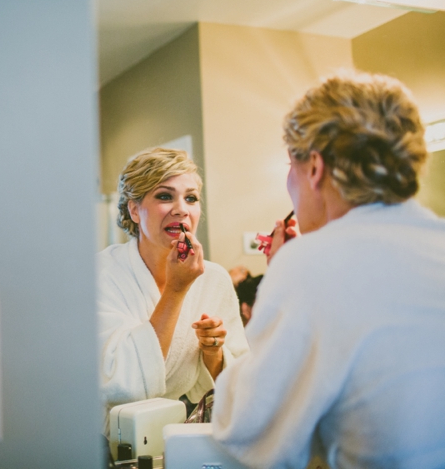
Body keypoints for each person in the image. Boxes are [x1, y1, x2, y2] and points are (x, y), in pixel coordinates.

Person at [211, 72, 445, 468]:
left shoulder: (307, 266)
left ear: (315, 167)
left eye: (292, 164)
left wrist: (285, 272)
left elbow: (249, 429)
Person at [97, 148, 249, 430]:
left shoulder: (213, 278)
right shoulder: (101, 274)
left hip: (181, 430)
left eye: (191, 198)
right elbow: (120, 382)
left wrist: (213, 352)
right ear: (134, 209)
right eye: (165, 196)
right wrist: (176, 291)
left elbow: (240, 379)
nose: (182, 209)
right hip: (107, 438)